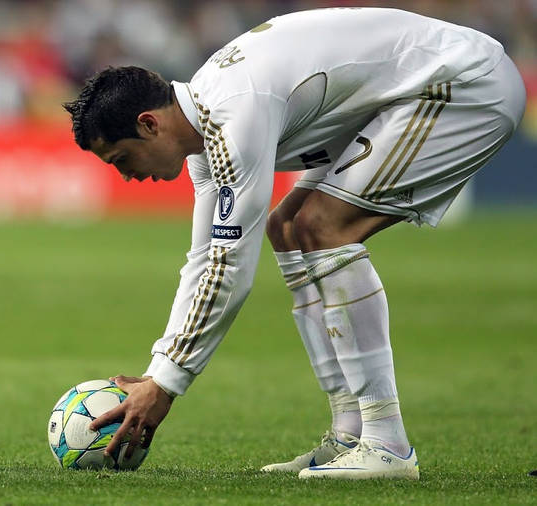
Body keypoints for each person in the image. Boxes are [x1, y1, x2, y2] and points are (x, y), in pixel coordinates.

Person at [62, 7, 525, 479]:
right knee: (288, 227)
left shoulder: (233, 111)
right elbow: (205, 258)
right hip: (412, 92)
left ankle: (387, 444)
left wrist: (166, 385)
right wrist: (158, 370)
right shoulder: (205, 124)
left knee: (324, 228)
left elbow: (230, 269)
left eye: (121, 158)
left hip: (465, 84)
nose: (125, 175)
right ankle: (349, 434)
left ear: (149, 124)